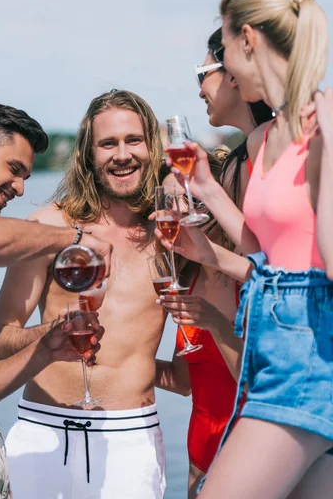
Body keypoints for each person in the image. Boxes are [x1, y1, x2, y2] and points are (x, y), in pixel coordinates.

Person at [167, 0, 333, 498]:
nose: (222, 75)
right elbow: (267, 251)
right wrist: (209, 192)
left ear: (248, 41)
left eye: (222, 52)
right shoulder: (267, 134)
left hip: (309, 357)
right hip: (267, 353)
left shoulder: (323, 122)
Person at [0, 89, 167, 499]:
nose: (122, 154)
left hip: (130, 439)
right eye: (108, 143)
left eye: (133, 140)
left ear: (151, 147)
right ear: (89, 154)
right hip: (40, 433)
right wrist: (54, 331)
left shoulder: (172, 235)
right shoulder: (48, 227)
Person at [0, 101, 110, 499]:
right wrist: (74, 237)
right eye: (14, 170)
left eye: (28, 177)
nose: (21, 188)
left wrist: (46, 350)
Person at [155, 29, 273, 497]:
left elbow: (277, 270)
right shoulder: (233, 164)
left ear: (235, 72)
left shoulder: (276, 152)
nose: (199, 87)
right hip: (205, 455)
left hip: (263, 430)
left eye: (202, 74)